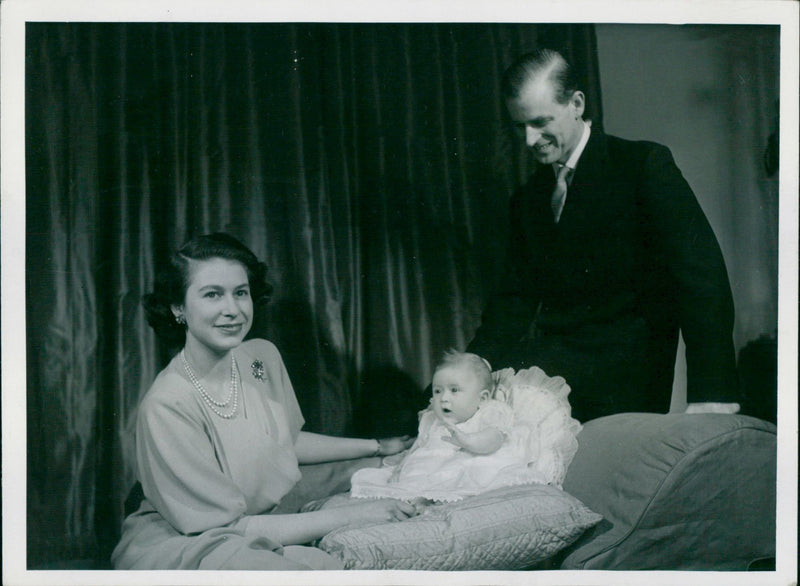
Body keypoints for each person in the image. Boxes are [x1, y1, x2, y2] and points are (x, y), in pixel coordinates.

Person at [111, 233, 418, 570]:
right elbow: (223, 527)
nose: (233, 310)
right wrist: (356, 514)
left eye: (240, 293)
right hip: (190, 540)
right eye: (213, 294)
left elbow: (284, 440)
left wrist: (376, 447)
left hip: (256, 519)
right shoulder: (167, 404)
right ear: (178, 307)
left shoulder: (261, 356)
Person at [467, 49, 740, 422]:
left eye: (541, 122)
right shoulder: (528, 199)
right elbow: (513, 301)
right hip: (554, 371)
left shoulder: (642, 166)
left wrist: (714, 393)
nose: (531, 139)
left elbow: (701, 278)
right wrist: (473, 365)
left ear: (576, 103)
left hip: (626, 379)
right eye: (519, 127)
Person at [350, 351, 553, 503]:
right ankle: (416, 498)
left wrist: (467, 440)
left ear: (482, 398)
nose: (444, 398)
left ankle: (435, 500)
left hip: (471, 461)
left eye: (454, 390)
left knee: (468, 475)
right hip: (431, 466)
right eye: (438, 391)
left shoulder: (490, 412)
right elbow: (420, 446)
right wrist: (402, 467)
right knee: (407, 479)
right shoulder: (432, 418)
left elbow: (492, 441)